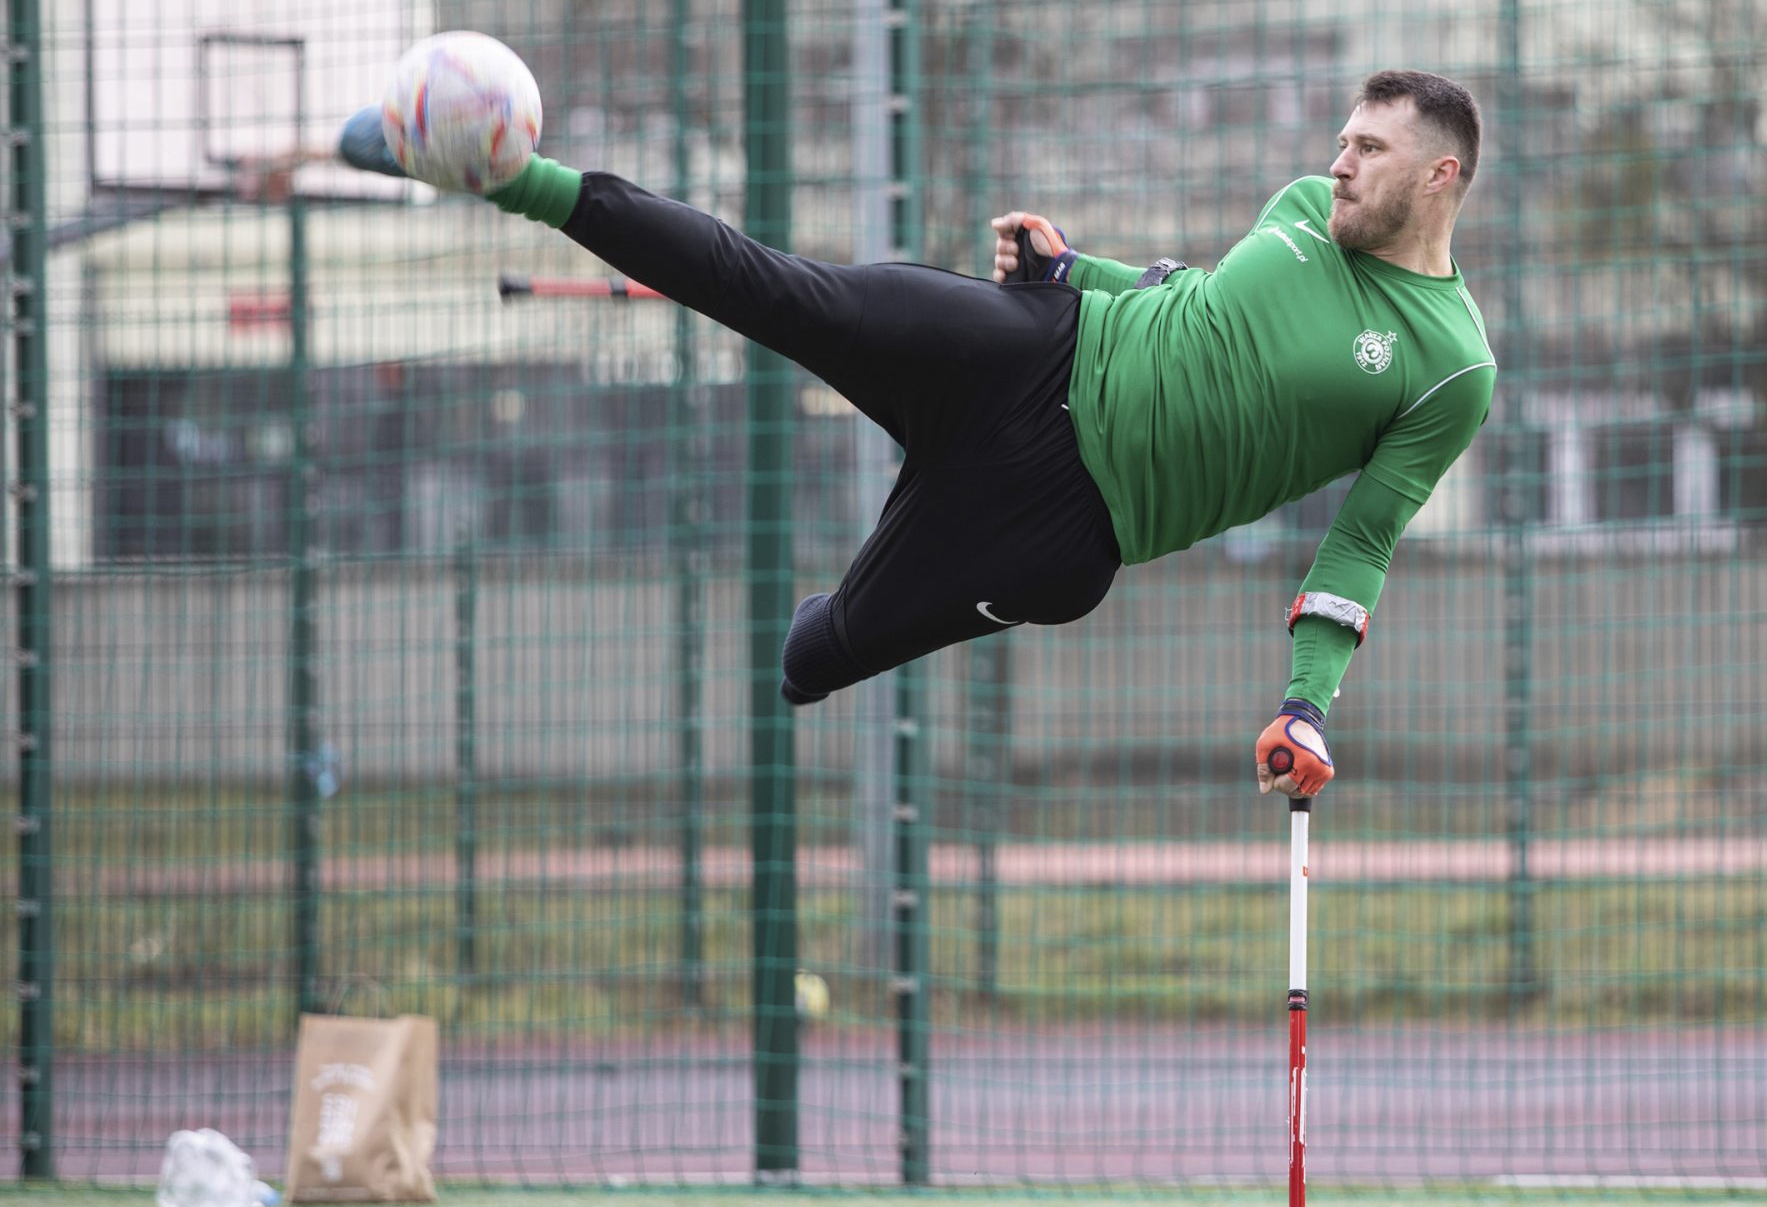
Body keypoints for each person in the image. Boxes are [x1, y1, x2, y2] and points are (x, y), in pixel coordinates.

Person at [338, 68, 1495, 798]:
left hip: (1057, 523)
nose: (1337, 161)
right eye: (1341, 139)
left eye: (1368, 150)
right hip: (1032, 348)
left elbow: (1362, 545)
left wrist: (1305, 704)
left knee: (815, 656)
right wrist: (1066, 267)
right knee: (781, 291)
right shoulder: (1304, 207)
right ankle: (509, 174)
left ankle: (825, 640)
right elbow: (1195, 298)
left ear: (1438, 176)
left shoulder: (1451, 366)